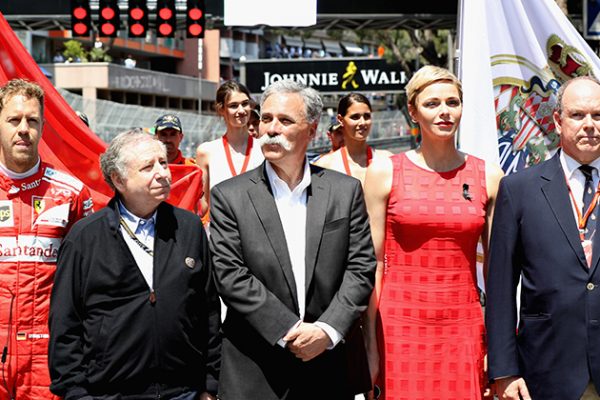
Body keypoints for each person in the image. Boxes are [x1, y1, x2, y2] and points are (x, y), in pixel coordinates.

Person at [209, 80, 377, 399]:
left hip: (328, 367)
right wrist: (289, 331)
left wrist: (326, 331)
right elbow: (229, 274)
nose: (271, 129)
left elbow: (360, 267)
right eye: (266, 118)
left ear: (311, 130)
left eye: (285, 120)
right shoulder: (229, 196)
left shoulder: (344, 192)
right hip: (255, 370)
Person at [363, 65, 503, 400]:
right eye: (432, 104)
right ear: (413, 112)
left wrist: (499, 344)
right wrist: (369, 343)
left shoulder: (489, 176)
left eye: (452, 103)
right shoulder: (384, 172)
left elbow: (497, 270)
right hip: (398, 325)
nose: (444, 112)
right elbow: (372, 265)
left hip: (464, 325)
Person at [48, 131, 221, 400]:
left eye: (163, 163)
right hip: (108, 394)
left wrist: (209, 384)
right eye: (148, 167)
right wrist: (76, 393)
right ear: (118, 179)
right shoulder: (85, 238)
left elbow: (208, 310)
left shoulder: (189, 228)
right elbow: (65, 324)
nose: (162, 173)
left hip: (183, 392)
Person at [486, 76, 600, 399]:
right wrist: (504, 371)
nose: (589, 125)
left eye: (597, 115)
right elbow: (500, 288)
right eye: (577, 115)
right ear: (558, 121)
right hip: (546, 370)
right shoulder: (518, 190)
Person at [0, 79, 94, 399]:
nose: (23, 129)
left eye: (32, 120)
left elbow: (89, 281)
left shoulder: (72, 193)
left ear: (42, 127)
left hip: (46, 355)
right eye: (14, 119)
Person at [195, 80, 264, 221]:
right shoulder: (206, 151)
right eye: (233, 106)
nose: (241, 110)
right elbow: (202, 205)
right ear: (221, 109)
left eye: (245, 103)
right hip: (222, 229)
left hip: (257, 228)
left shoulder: (264, 148)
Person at [314, 93, 391, 185]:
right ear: (340, 120)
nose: (362, 122)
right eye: (355, 117)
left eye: (367, 116)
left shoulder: (388, 160)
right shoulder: (325, 165)